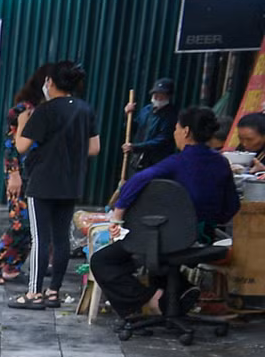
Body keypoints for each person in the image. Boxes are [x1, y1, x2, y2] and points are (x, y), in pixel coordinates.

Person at [90, 106, 239, 319]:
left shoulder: (178, 162)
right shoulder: (222, 163)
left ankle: (151, 299)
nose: (174, 132)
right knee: (158, 256)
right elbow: (231, 208)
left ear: (186, 131)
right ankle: (180, 291)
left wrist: (118, 214)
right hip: (203, 239)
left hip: (169, 240)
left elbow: (137, 180)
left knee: (103, 261)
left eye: (176, 128)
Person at [10, 61, 98, 309]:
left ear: (51, 82)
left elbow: (21, 147)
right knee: (61, 239)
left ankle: (33, 294)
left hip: (43, 182)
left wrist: (23, 123)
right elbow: (94, 148)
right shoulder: (85, 110)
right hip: (71, 182)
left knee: (40, 238)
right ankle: (53, 292)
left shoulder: (45, 111)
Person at [0, 67, 47, 285]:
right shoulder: (22, 110)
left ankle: (12, 266)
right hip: (18, 173)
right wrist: (13, 173)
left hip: (36, 173)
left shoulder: (45, 109)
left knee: (32, 223)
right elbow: (10, 144)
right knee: (20, 223)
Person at [122, 77, 179, 174]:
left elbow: (162, 140)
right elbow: (133, 128)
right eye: (155, 94)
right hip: (137, 160)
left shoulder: (171, 115)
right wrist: (128, 115)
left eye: (161, 95)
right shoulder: (146, 110)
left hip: (156, 163)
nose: (157, 97)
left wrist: (136, 147)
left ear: (168, 96)